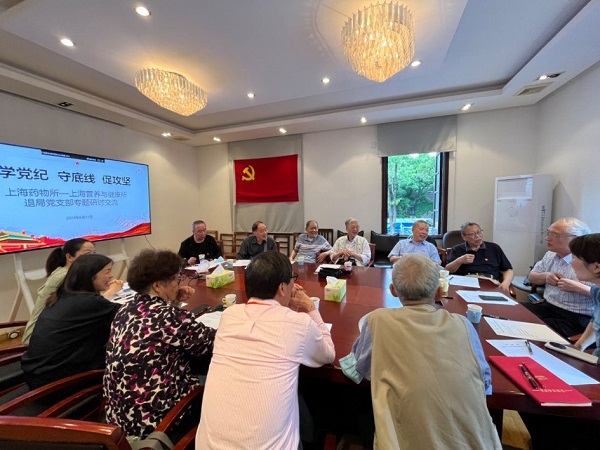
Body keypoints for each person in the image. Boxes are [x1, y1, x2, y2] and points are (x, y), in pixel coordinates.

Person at [340, 254, 501, 450]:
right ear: (439, 293)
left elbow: (358, 369)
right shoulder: (464, 324)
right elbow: (484, 381)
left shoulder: (377, 320)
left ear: (393, 291)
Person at [196, 251, 335, 449]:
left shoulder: (229, 315)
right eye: (292, 280)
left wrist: (285, 305)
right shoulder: (298, 323)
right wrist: (309, 306)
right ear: (282, 288)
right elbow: (328, 354)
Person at [104, 249, 216, 439]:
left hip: (120, 421)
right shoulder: (168, 317)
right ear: (157, 286)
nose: (178, 284)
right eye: (176, 279)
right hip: (157, 425)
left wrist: (172, 300)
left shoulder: (125, 309)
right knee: (214, 375)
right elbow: (210, 342)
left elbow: (162, 334)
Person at [21, 254, 123, 389]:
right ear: (90, 275)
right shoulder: (89, 302)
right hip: (58, 383)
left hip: (37, 373)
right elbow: (129, 315)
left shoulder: (63, 294)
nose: (111, 276)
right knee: (128, 351)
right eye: (107, 271)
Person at [523, 217, 593, 338]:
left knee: (529, 329)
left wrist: (577, 287)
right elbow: (531, 277)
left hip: (576, 317)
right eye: (548, 233)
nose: (547, 238)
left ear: (575, 239)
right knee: (511, 312)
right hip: (548, 307)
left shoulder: (591, 261)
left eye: (554, 235)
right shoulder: (550, 254)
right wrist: (546, 276)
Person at [22, 238, 96, 344]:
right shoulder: (65, 276)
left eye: (94, 253)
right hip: (39, 337)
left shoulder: (68, 272)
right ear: (69, 257)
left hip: (53, 330)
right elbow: (89, 304)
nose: (93, 258)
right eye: (88, 254)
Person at [445, 221, 514, 295]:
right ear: (464, 237)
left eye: (479, 232)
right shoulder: (457, 249)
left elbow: (508, 270)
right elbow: (447, 270)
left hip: (491, 283)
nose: (477, 236)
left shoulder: (494, 248)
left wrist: (506, 283)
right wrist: (460, 261)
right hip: (466, 283)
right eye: (472, 234)